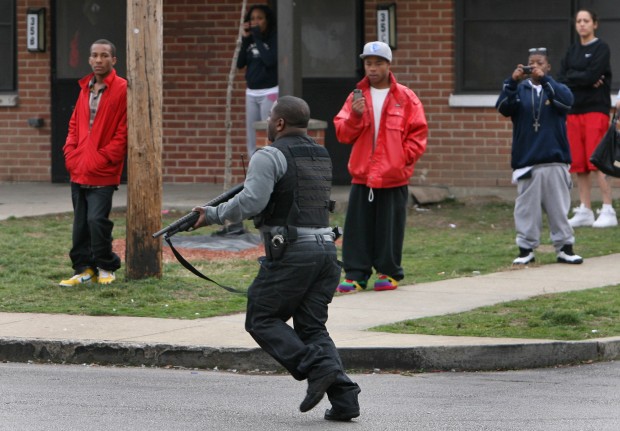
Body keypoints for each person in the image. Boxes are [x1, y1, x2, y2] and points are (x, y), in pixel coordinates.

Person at [191, 96, 361, 422]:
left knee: (261, 316)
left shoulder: (268, 155)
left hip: (294, 252)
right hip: (326, 251)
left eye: (270, 117)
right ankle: (344, 399)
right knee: (311, 327)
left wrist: (211, 215)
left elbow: (252, 202)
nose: (268, 122)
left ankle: (317, 367)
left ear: (279, 123)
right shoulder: (320, 154)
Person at [333, 41, 428, 293]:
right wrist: (354, 115)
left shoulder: (406, 97)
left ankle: (388, 272)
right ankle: (356, 275)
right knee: (357, 228)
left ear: (388, 65)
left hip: (393, 176)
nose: (372, 69)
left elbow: (418, 135)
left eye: (378, 63)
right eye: (368, 64)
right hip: (363, 176)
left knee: (389, 228)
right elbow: (343, 133)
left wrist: (402, 160)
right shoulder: (356, 96)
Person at [497, 48, 583, 265]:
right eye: (530, 63)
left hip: (555, 158)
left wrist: (545, 81)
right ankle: (526, 250)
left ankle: (565, 248)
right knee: (526, 209)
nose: (534, 66)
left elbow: (566, 102)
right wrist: (512, 82)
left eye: (540, 63)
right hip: (527, 160)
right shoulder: (519, 89)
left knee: (559, 209)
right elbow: (503, 108)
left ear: (548, 66)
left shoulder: (555, 87)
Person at [59, 39, 127, 287]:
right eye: (94, 55)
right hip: (79, 168)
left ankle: (106, 265)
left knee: (97, 221)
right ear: (89, 59)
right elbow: (74, 125)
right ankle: (84, 269)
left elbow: (123, 132)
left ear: (113, 60)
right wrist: (71, 154)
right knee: (80, 225)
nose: (99, 60)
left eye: (104, 56)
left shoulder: (121, 89)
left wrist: (103, 158)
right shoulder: (84, 88)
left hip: (103, 170)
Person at [557, 9, 616, 228]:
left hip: (595, 110)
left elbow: (592, 75)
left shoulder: (602, 48)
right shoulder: (571, 51)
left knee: (598, 160)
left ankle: (608, 208)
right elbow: (561, 78)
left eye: (586, 21)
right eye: (579, 21)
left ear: (595, 24)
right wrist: (583, 79)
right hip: (573, 111)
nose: (582, 24)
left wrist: (580, 78)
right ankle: (585, 209)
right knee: (579, 163)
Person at [237, 4, 278, 158]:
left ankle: (269, 165)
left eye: (260, 18)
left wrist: (258, 39)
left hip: (269, 91)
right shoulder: (250, 40)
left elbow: (270, 61)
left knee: (267, 130)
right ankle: (253, 166)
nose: (255, 22)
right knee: (252, 134)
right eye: (253, 18)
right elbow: (240, 64)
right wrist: (245, 39)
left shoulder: (273, 38)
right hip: (251, 93)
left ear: (267, 21)